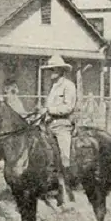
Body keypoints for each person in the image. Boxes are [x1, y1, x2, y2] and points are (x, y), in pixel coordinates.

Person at [39, 55, 77, 205]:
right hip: (49, 124)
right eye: (49, 70)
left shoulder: (68, 86)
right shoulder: (53, 87)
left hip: (62, 124)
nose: (51, 72)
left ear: (61, 70)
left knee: (64, 155)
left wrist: (49, 109)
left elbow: (68, 107)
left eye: (53, 69)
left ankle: (66, 188)